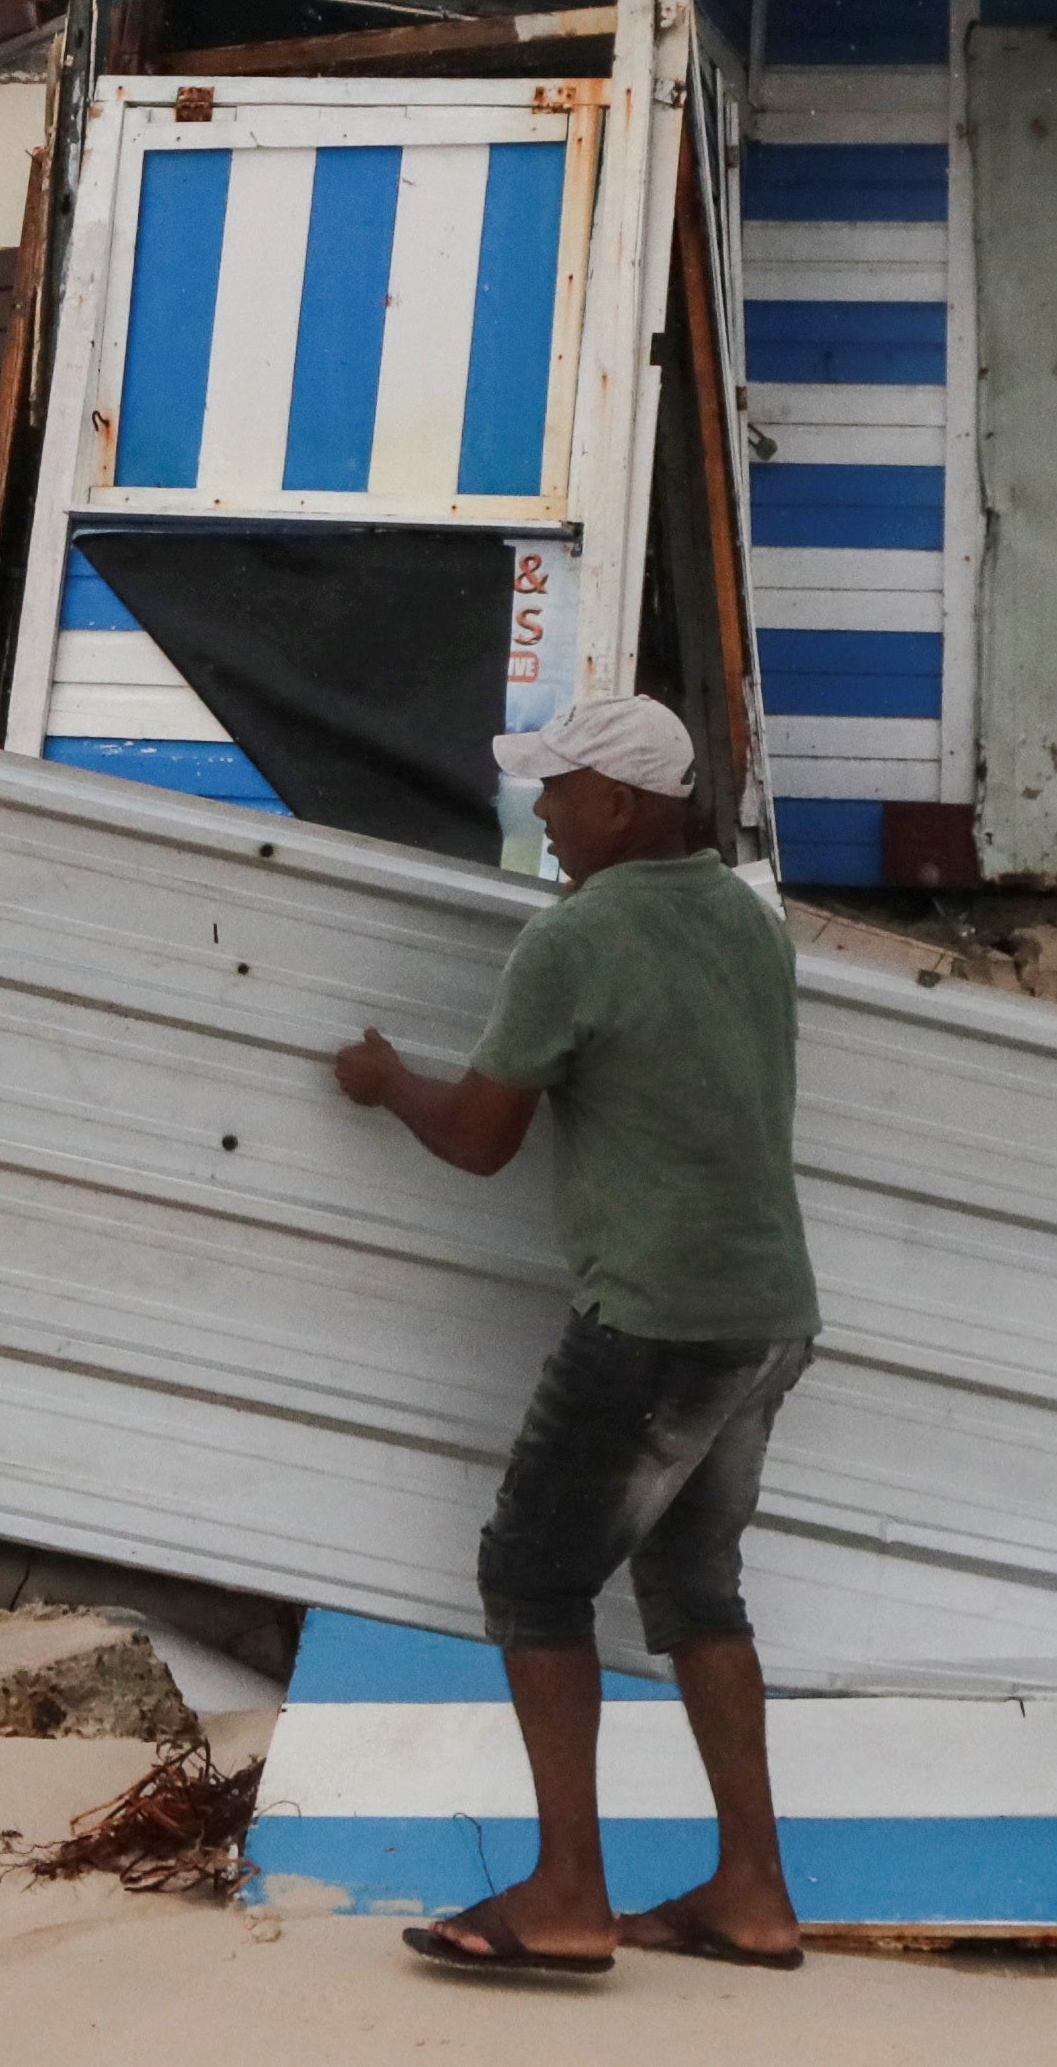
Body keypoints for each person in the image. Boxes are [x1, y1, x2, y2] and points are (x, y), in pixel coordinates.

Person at [328, 689, 817, 1978]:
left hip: (657, 1323)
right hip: (770, 1316)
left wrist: (386, 1088)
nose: (540, 812)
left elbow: (484, 1143)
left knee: (535, 1584)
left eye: (556, 790)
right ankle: (754, 1895)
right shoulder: (749, 921)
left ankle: (566, 1896)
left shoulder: (577, 940)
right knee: (698, 1588)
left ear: (621, 803)